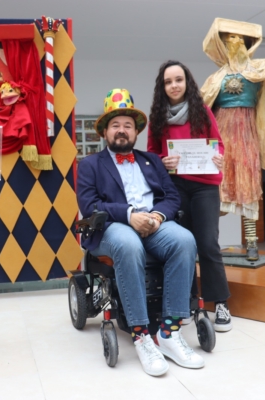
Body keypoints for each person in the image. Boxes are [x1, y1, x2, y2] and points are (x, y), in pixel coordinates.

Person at [77, 88, 204, 377]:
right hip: (113, 228)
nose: (122, 131)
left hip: (155, 225)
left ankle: (169, 333)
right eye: (115, 125)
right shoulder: (90, 165)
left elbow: (171, 197)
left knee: (185, 240)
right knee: (128, 244)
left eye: (128, 126)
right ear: (105, 131)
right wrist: (130, 216)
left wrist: (158, 216)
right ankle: (141, 335)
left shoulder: (152, 161)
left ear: (136, 132)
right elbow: (89, 205)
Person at [201, 18, 265, 261]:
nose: (235, 43)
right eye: (230, 40)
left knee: (248, 186)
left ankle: (251, 243)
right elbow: (201, 108)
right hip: (221, 136)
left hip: (247, 133)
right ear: (223, 46)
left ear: (247, 44)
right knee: (216, 189)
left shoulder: (256, 68)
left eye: (239, 39)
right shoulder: (215, 78)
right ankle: (208, 243)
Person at [147, 60, 232, 332]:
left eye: (178, 80)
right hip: (175, 188)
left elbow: (218, 144)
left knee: (207, 244)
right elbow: (151, 156)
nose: (174, 85)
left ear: (187, 83)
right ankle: (186, 302)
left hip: (205, 186)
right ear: (162, 87)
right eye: (168, 81)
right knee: (183, 246)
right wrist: (163, 161)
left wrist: (218, 157)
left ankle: (220, 302)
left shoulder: (202, 111)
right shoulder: (157, 119)